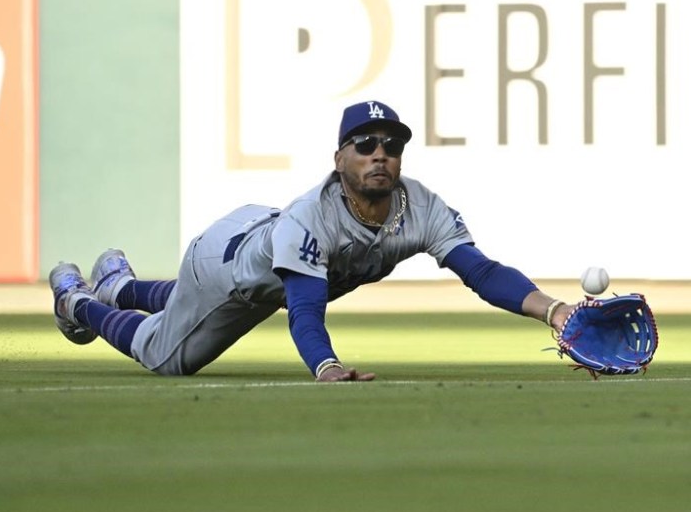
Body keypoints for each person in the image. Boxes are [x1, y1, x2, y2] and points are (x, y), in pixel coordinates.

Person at [49, 100, 575, 382]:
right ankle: (77, 301)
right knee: (167, 358)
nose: (379, 154)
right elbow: (304, 311)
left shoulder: (422, 207)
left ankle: (119, 286)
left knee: (190, 303)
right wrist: (325, 365)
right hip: (225, 269)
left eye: (391, 145)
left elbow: (481, 273)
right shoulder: (312, 218)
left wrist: (554, 311)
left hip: (258, 248)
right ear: (339, 159)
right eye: (364, 143)